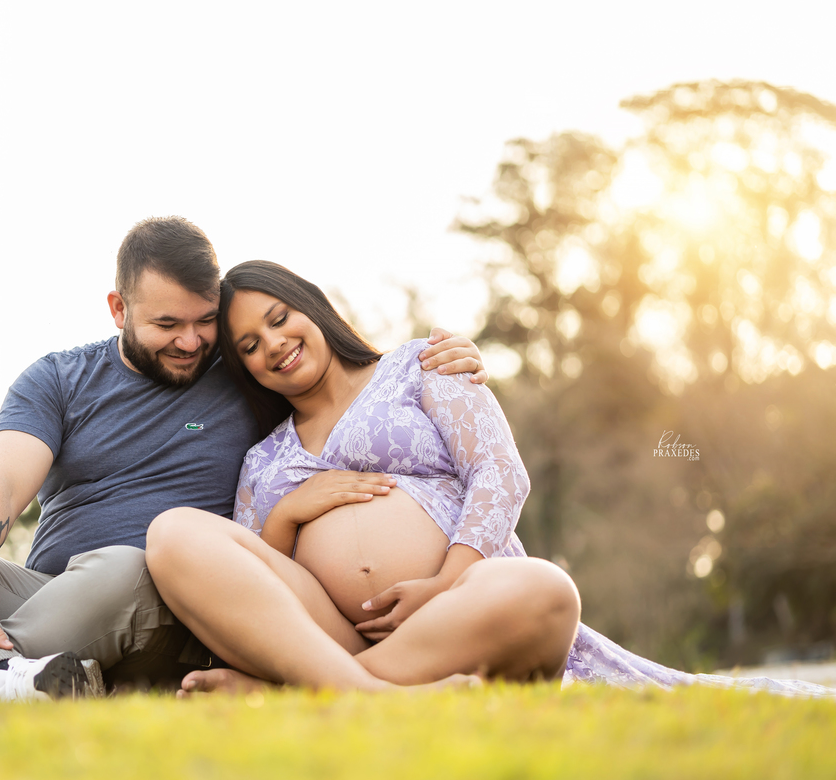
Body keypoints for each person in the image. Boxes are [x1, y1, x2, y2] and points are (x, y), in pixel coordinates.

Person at [0, 216, 488, 702]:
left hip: (158, 597)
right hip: (49, 600)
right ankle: (6, 677)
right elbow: (4, 479)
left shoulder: (246, 369)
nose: (191, 342)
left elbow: (332, 373)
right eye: (167, 324)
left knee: (127, 565)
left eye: (204, 320)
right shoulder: (59, 379)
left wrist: (438, 360)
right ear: (118, 308)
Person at [145, 260, 836, 699]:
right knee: (172, 534)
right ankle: (365, 692)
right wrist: (288, 514)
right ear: (244, 368)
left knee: (546, 590)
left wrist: (446, 583)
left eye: (278, 319)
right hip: (338, 637)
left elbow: (500, 472)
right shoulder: (264, 461)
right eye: (249, 346)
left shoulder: (422, 364)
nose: (273, 344)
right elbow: (253, 580)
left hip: (464, 612)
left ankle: (299, 696)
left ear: (311, 306)